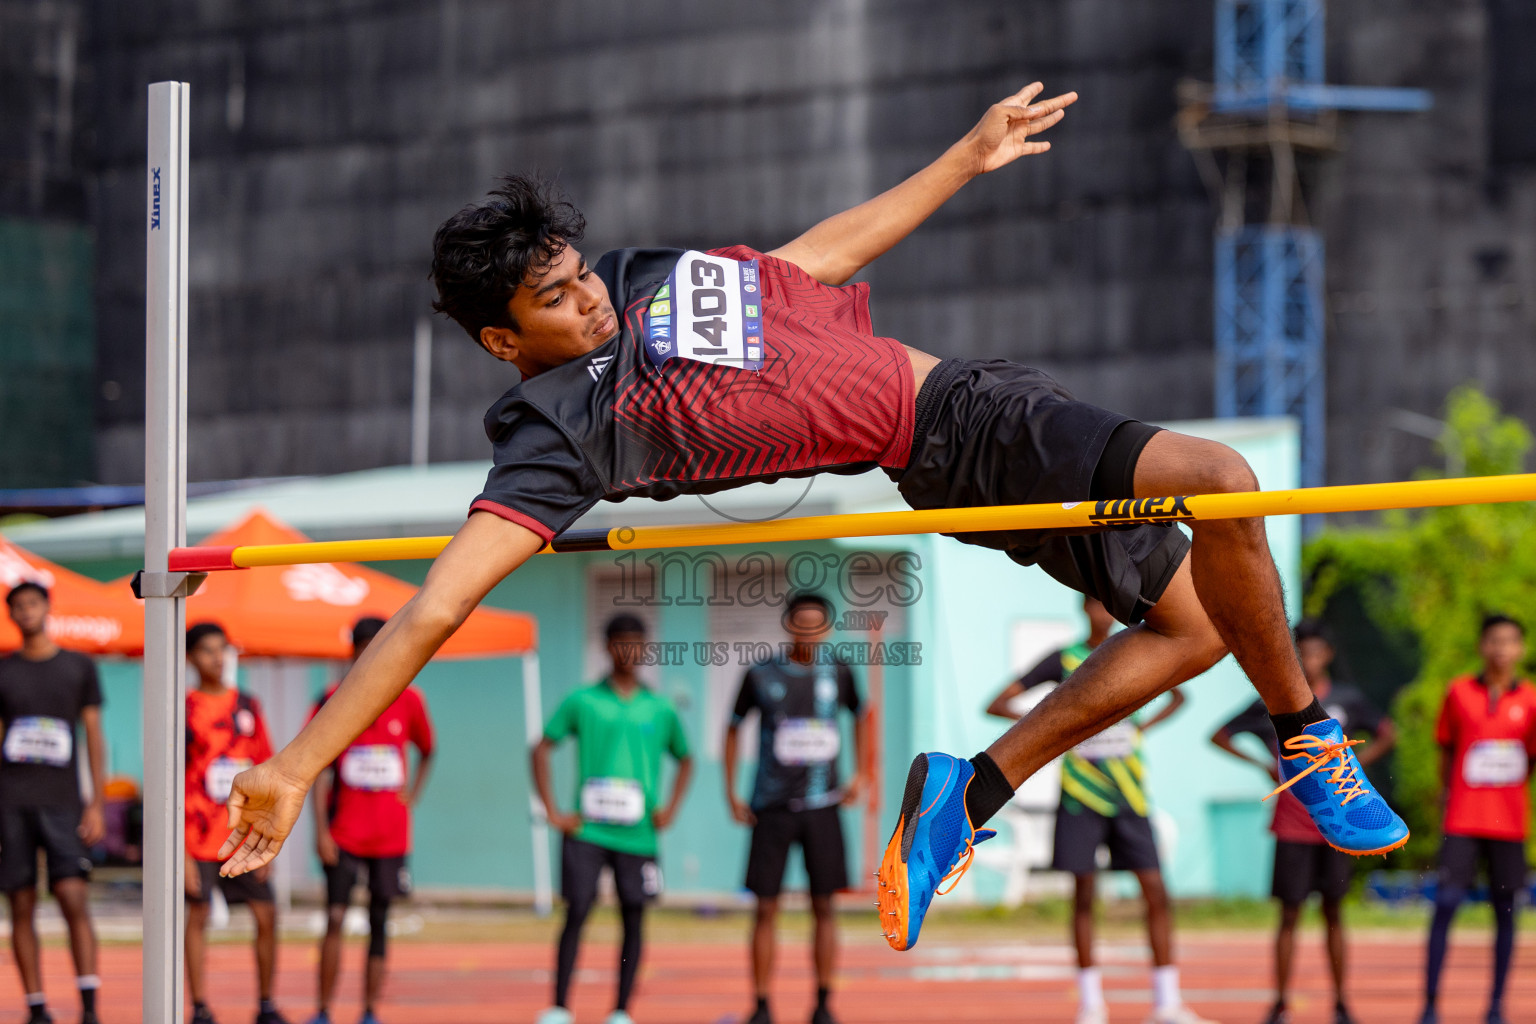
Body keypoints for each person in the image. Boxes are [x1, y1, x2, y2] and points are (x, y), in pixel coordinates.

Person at [216, 82, 1408, 959]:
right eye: (556, 301)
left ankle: (967, 793)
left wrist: (961, 159)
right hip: (951, 434)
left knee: (1201, 621)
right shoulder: (557, 428)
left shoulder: (633, 281)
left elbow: (805, 265)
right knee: (1225, 479)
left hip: (972, 398)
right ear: (500, 338)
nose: (587, 302)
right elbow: (434, 606)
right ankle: (1307, 739)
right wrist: (292, 765)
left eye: (581, 276)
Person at [986, 596, 1202, 1024]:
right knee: (1083, 896)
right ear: (1084, 608)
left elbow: (1179, 693)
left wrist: (1142, 725)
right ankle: (1091, 1005)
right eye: (1096, 605)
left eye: (1110, 606)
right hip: (1080, 796)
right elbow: (998, 703)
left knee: (1156, 891)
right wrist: (1052, 728)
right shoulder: (1065, 659)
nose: (1104, 613)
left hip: (1129, 795)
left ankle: (1167, 1003)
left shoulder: (1136, 649)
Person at [1210, 620, 1394, 1024]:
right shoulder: (1273, 704)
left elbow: (1387, 732)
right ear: (1293, 654)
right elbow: (1219, 734)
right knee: (1289, 913)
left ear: (1327, 655)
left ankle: (1342, 1002)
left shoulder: (1346, 698)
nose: (1309, 659)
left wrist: (1357, 766)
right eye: (1302, 651)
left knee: (1334, 912)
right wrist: (1263, 763)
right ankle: (1279, 1003)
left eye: (1316, 651)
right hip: (1292, 822)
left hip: (1339, 828)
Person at [530, 614, 693, 1024]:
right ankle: (560, 1006)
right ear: (605, 647)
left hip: (638, 835)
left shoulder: (660, 707)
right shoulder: (582, 700)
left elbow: (686, 758)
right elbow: (541, 748)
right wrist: (551, 810)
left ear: (644, 649)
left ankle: (621, 1010)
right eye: (619, 643)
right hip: (587, 829)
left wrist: (670, 808)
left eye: (635, 644)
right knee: (577, 911)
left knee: (633, 917)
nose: (627, 652)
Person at [724, 593, 869, 1024]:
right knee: (765, 906)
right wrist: (730, 791)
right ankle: (762, 1004)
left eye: (816, 625)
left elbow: (863, 715)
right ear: (788, 624)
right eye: (800, 623)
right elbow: (732, 728)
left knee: (824, 905)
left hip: (823, 805)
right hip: (771, 807)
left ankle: (824, 1003)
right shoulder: (761, 673)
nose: (807, 631)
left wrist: (862, 773)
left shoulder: (839, 670)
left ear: (826, 629)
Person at [306, 617, 435, 1024]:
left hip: (390, 835)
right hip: (344, 832)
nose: (369, 654)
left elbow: (428, 749)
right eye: (362, 647)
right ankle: (324, 1010)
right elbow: (315, 767)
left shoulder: (411, 700)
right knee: (336, 917)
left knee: (380, 920)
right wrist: (321, 832)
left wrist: (412, 795)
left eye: (377, 645)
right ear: (353, 652)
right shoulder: (331, 697)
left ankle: (369, 1011)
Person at [1417, 614, 1536, 1024]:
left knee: (1506, 912)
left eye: (1510, 641)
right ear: (1482, 646)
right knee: (1445, 904)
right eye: (1494, 641)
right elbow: (1446, 752)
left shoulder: (1532, 700)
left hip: (1509, 824)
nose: (1502, 649)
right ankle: (1431, 1003)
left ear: (1521, 649)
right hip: (1463, 821)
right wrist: (1449, 800)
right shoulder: (1459, 692)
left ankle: (1496, 1005)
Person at [0, 582, 105, 1024]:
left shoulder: (78, 667)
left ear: (46, 607)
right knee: (20, 903)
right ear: (11, 615)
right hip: (12, 803)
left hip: (64, 803)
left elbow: (94, 735)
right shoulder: (3, 671)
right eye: (18, 606)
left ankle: (88, 1005)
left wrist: (96, 802)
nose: (26, 612)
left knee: (72, 895)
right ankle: (37, 1006)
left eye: (32, 603)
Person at [183, 622, 288, 1024]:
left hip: (244, 834)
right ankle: (200, 1007)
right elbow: (172, 778)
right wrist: (183, 853)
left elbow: (266, 769)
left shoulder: (248, 704)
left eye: (222, 650)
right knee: (197, 917)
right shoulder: (185, 707)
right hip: (198, 835)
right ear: (191, 657)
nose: (217, 657)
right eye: (208, 650)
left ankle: (265, 1004)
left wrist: (266, 835)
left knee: (266, 914)